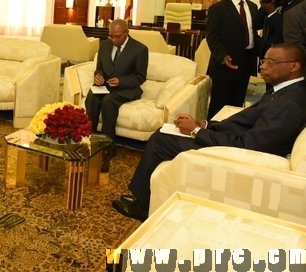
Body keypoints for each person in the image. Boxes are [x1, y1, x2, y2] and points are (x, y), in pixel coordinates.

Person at [112, 43, 306, 222]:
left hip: (237, 154)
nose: (263, 66)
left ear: (294, 66)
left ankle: (143, 206)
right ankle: (144, 196)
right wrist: (204, 125)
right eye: (264, 61)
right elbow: (245, 122)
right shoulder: (282, 92)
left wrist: (196, 132)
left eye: (271, 62)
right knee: (165, 132)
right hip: (236, 142)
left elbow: (248, 145)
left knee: (160, 140)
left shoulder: (289, 104)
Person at [85, 19, 148, 170]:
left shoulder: (140, 49)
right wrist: (98, 75)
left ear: (127, 32)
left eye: (117, 37)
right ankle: (90, 139)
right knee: (92, 97)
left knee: (108, 102)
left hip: (126, 88)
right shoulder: (105, 45)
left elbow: (140, 76)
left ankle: (107, 147)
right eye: (111, 36)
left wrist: (121, 81)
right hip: (105, 86)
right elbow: (99, 67)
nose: (113, 40)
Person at [205, 0, 259, 119]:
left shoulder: (253, 7)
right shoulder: (218, 9)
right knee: (219, 105)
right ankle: (211, 133)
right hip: (225, 64)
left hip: (246, 63)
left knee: (236, 104)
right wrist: (223, 56)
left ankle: (230, 134)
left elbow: (254, 34)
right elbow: (212, 36)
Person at [254, 0, 304, 76]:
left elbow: (289, 32)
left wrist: (272, 13)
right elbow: (256, 24)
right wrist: (264, 5)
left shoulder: (301, 5)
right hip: (270, 57)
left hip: (286, 61)